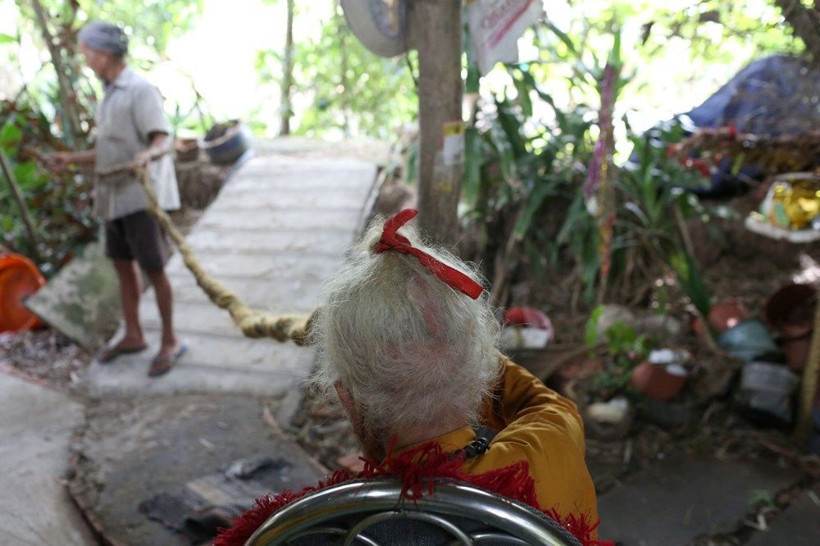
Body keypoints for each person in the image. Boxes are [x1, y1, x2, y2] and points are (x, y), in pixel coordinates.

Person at [215, 209, 599, 545]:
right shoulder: (549, 449)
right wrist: (448, 343)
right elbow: (546, 405)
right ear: (477, 373)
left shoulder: (309, 526)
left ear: (348, 402)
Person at [44, 21, 186, 377]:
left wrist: (147, 155)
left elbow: (162, 139)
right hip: (114, 198)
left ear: (104, 54)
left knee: (154, 269)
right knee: (123, 266)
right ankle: (133, 334)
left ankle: (170, 340)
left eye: (87, 53)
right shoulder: (109, 94)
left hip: (141, 198)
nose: (85, 60)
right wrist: (70, 160)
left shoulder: (139, 90)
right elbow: (109, 152)